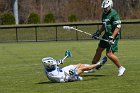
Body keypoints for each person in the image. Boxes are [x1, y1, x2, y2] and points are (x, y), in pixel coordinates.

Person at [91, 0, 125, 76]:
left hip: (113, 36)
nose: (105, 9)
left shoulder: (114, 13)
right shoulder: (104, 14)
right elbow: (104, 25)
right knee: (98, 50)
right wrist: (98, 33)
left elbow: (118, 26)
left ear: (110, 6)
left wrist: (112, 37)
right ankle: (92, 67)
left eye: (106, 8)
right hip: (106, 35)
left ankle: (121, 68)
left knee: (109, 54)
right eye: (104, 8)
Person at [41, 55, 107, 83]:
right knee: (82, 68)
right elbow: (64, 79)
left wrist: (60, 61)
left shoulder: (48, 67)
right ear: (50, 65)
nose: (54, 62)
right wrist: (72, 74)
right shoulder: (53, 74)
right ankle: (98, 64)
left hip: (63, 71)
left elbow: (55, 63)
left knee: (79, 64)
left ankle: (93, 68)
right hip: (66, 76)